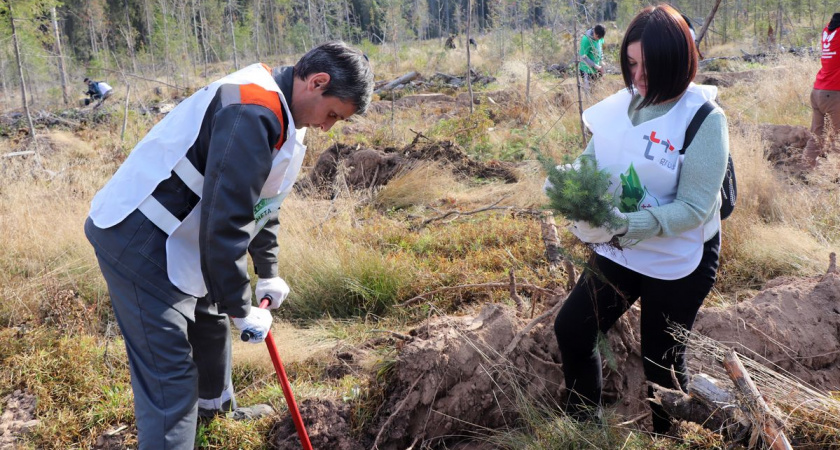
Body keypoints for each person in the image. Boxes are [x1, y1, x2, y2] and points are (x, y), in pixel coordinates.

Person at [84, 41, 373, 449]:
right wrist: (241, 307)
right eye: (332, 114)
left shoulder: (282, 111)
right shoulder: (253, 110)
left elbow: (261, 202)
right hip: (137, 235)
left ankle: (216, 410)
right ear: (317, 82)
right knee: (169, 371)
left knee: (209, 316)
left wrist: (268, 272)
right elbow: (226, 223)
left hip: (182, 230)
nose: (327, 127)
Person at [549, 4, 729, 434]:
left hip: (680, 256)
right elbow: (591, 160)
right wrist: (568, 186)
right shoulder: (623, 105)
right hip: (624, 245)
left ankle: (669, 440)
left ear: (679, 60)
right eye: (631, 64)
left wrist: (626, 225)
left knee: (660, 363)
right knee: (573, 328)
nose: (638, 77)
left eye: (650, 66)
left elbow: (694, 208)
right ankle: (584, 429)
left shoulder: (704, 118)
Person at [802, 13, 840, 170]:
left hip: (818, 90)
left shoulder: (828, 30)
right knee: (838, 136)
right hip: (833, 93)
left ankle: (806, 168)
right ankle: (835, 173)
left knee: (816, 135)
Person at [578, 24, 606, 92]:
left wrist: (601, 61)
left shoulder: (600, 37)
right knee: (588, 92)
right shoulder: (586, 40)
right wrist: (596, 66)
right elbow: (583, 57)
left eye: (600, 38)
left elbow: (600, 49)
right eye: (597, 37)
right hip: (586, 70)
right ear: (594, 32)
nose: (598, 39)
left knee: (596, 90)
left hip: (596, 70)